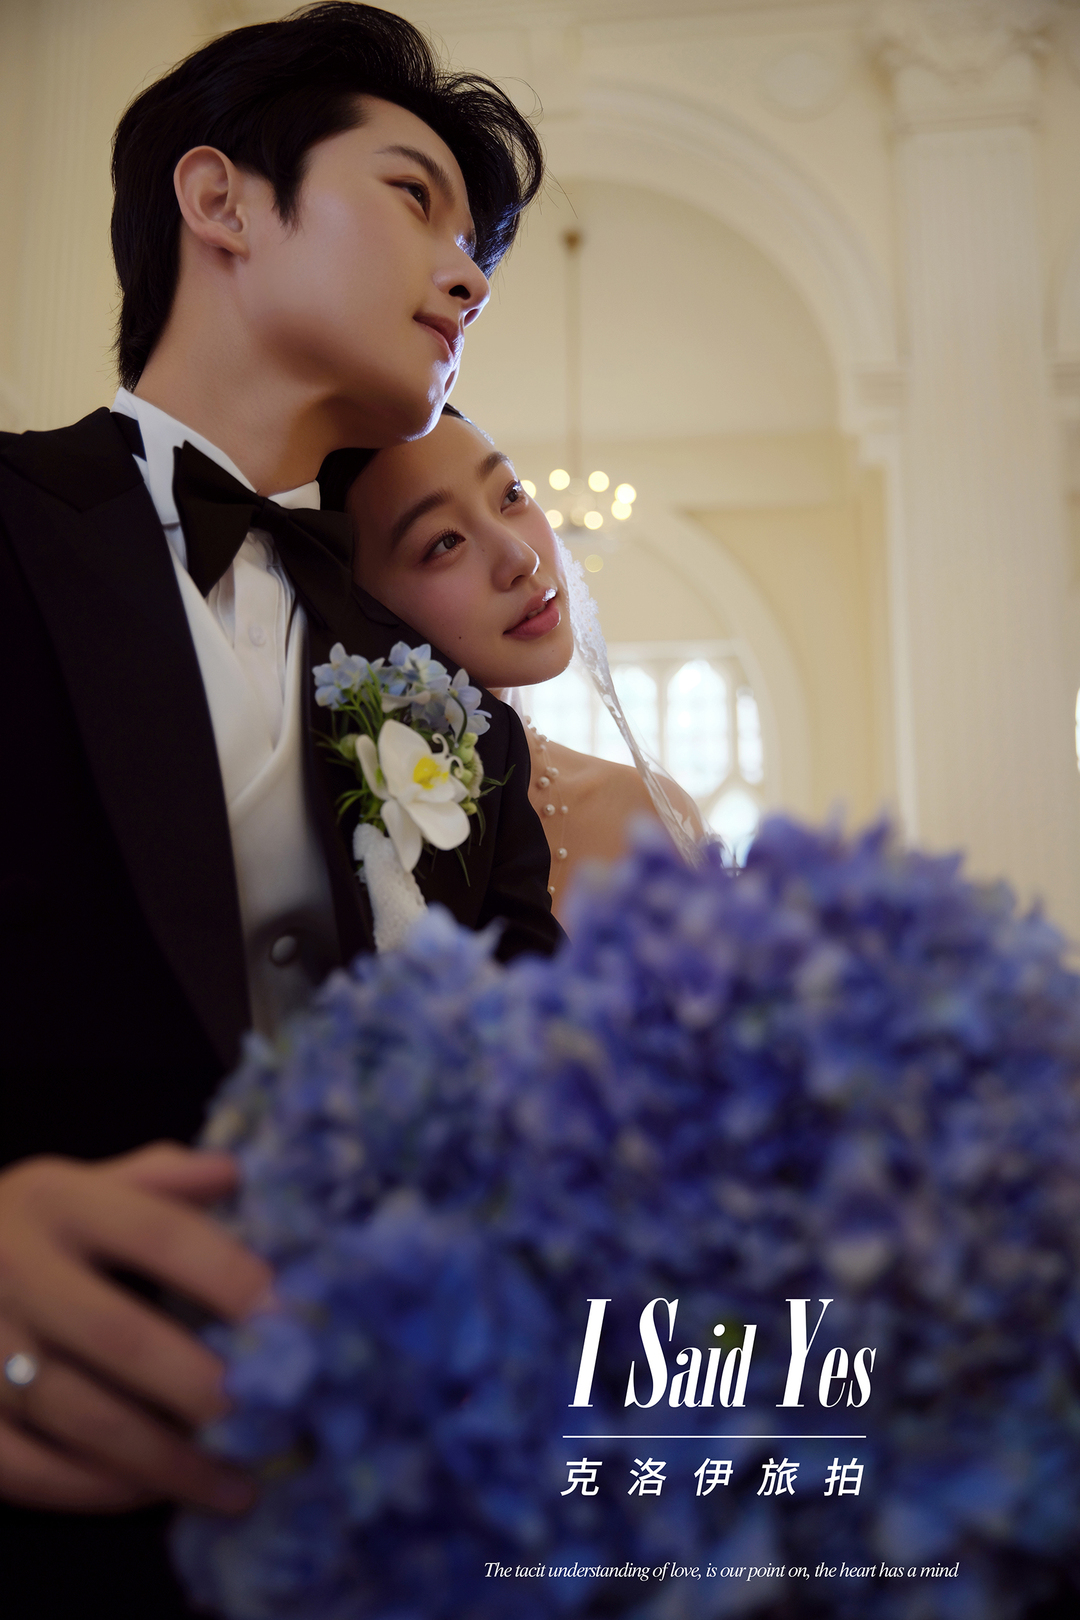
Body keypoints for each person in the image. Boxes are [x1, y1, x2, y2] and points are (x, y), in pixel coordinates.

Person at [0, 7, 556, 1615]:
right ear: (222, 201)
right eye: (415, 199)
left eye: (478, 251)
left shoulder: (451, 703)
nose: (467, 278)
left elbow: (541, 1085)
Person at [341, 407, 705, 923]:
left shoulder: (649, 821)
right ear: (360, 600)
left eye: (511, 495)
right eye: (445, 542)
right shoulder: (344, 836)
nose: (522, 558)